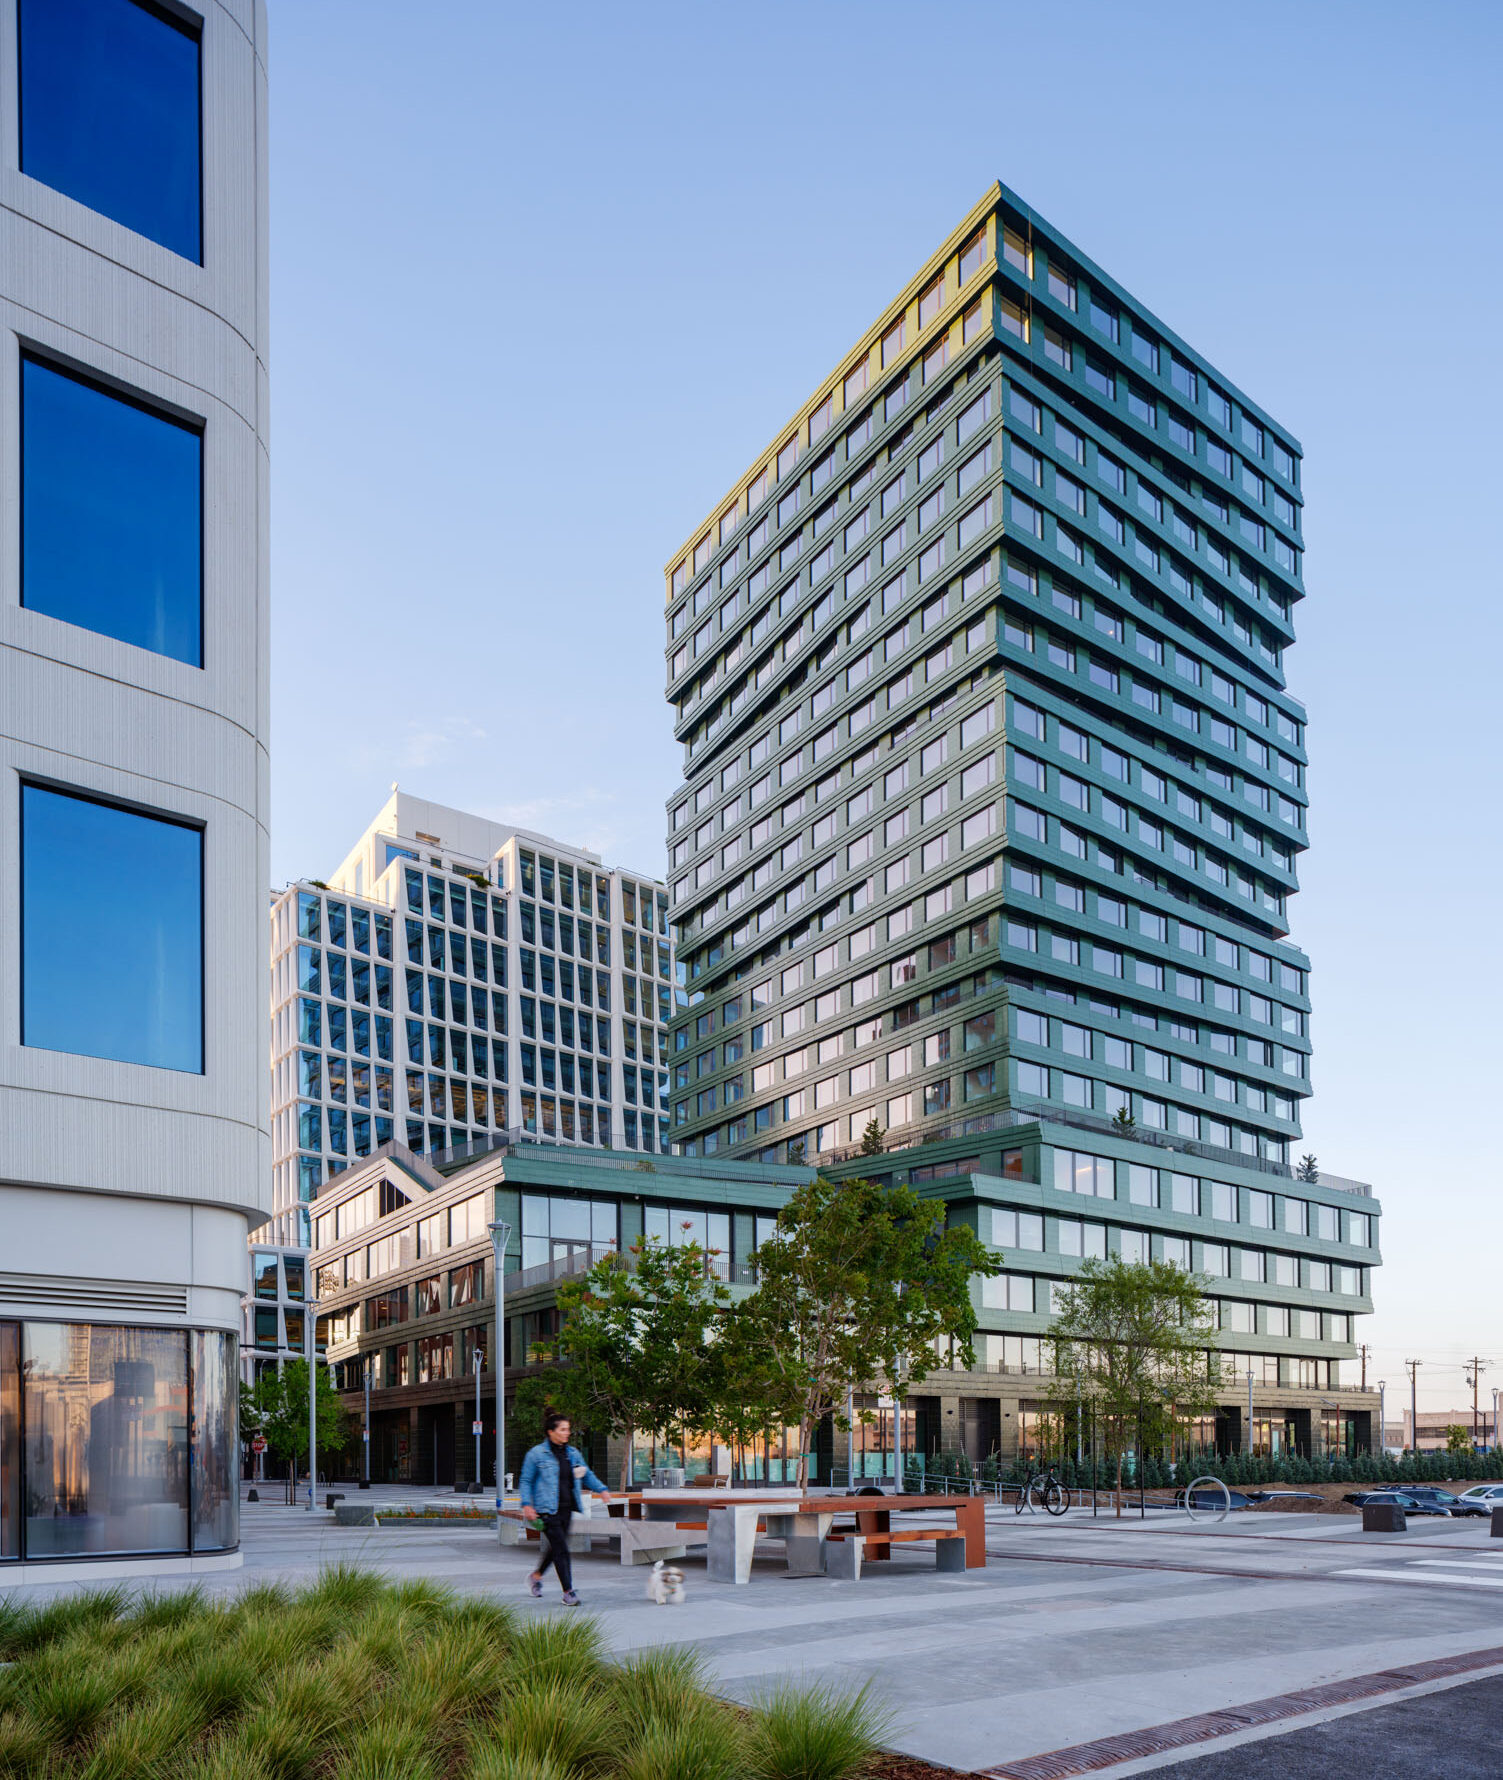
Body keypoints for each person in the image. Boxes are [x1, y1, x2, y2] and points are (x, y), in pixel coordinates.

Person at [518, 1411, 610, 1604]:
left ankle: (535, 1577)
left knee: (556, 1549)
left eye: (568, 1429)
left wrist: (601, 1489)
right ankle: (568, 1592)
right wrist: (526, 1504)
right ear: (551, 1432)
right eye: (563, 1429)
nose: (567, 1433)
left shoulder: (572, 1454)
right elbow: (526, 1481)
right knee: (561, 1549)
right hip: (546, 1510)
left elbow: (586, 1474)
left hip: (567, 1508)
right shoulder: (536, 1454)